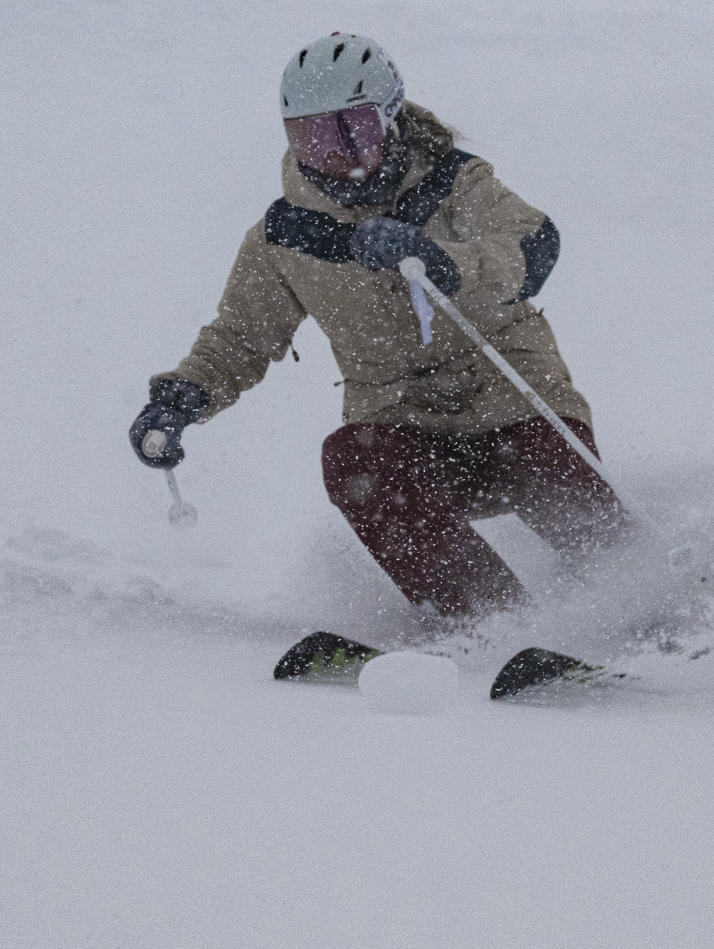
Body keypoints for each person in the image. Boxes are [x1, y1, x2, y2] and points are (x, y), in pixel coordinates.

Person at [129, 33, 629, 619]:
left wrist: (441, 259)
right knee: (353, 462)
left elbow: (532, 245)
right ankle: (488, 623)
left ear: (391, 119)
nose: (336, 157)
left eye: (353, 132)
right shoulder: (286, 237)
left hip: (512, 404)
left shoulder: (455, 185)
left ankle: (644, 596)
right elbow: (241, 336)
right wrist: (182, 398)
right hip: (404, 426)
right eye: (313, 139)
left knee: (553, 478)